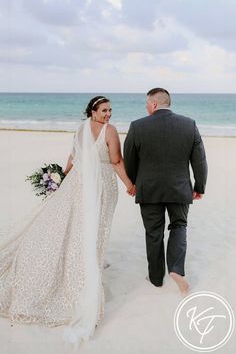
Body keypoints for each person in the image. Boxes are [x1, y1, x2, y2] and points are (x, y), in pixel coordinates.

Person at [0, 96, 135, 346]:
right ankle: (89, 264)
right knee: (94, 225)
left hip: (77, 183)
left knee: (77, 225)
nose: (109, 114)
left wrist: (64, 177)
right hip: (100, 185)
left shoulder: (82, 127)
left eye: (111, 110)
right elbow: (116, 161)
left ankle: (87, 259)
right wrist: (129, 184)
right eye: (104, 110)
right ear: (93, 111)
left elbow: (73, 156)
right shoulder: (110, 131)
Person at [124, 88, 208, 295]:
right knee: (179, 226)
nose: (146, 107)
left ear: (153, 104)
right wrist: (199, 187)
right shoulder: (189, 124)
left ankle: (155, 278)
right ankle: (177, 270)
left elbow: (130, 160)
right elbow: (200, 161)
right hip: (179, 189)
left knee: (153, 232)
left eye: (146, 103)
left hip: (149, 189)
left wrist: (134, 183)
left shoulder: (137, 126)